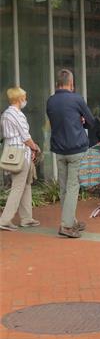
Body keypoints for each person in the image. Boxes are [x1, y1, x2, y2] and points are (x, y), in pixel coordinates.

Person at [46, 69, 96, 238]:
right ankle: (67, 225)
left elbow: (59, 121)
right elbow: (91, 121)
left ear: (56, 83)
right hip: (76, 148)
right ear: (71, 83)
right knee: (73, 187)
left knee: (64, 187)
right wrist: (81, 122)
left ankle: (71, 220)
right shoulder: (76, 99)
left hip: (59, 150)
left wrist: (76, 119)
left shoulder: (50, 101)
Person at [0, 87, 41, 231]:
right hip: (21, 155)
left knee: (25, 185)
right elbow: (25, 137)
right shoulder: (17, 114)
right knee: (18, 187)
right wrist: (35, 147)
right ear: (19, 99)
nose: (25, 99)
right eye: (24, 97)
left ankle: (26, 218)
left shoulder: (6, 114)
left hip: (12, 154)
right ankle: (4, 220)